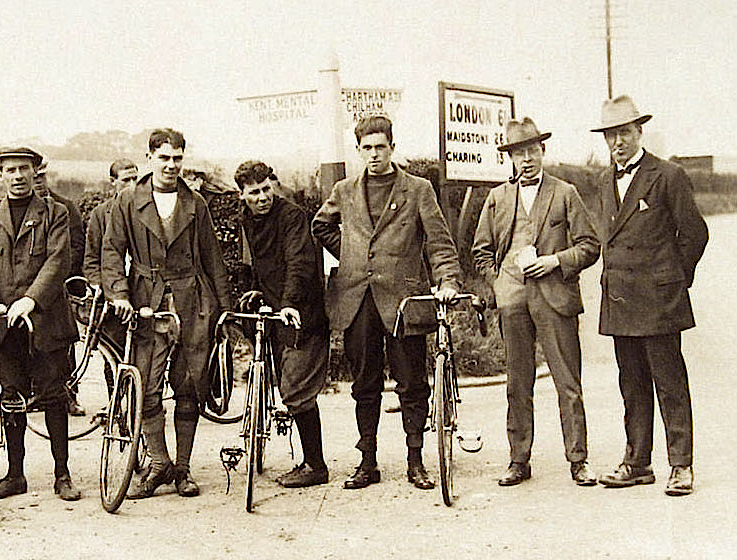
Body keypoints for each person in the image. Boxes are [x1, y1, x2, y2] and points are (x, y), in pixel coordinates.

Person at [312, 115, 462, 490]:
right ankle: (368, 462)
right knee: (364, 383)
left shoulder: (418, 189)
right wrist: (351, 256)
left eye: (381, 146)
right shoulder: (345, 190)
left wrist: (446, 280)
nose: (375, 154)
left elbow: (439, 241)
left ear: (392, 147)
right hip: (358, 299)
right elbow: (321, 225)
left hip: (403, 301)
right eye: (367, 148)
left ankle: (416, 460)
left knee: (411, 383)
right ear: (359, 151)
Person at [102, 128, 233, 499]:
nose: (171, 165)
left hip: (192, 301)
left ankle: (184, 469)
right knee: (146, 386)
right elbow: (111, 253)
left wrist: (224, 312)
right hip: (146, 302)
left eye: (177, 158)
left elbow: (213, 260)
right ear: (150, 159)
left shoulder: (196, 204)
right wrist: (119, 294)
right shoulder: (128, 201)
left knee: (189, 384)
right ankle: (158, 464)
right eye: (164, 158)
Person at [589, 96, 708, 496]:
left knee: (669, 382)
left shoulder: (668, 174)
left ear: (639, 131)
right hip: (622, 298)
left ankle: (681, 465)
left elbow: (694, 233)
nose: (617, 142)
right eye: (610, 135)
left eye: (624, 133)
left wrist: (673, 279)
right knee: (632, 383)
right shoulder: (604, 180)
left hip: (659, 300)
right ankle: (638, 461)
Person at [471, 118, 600, 487]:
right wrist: (497, 284)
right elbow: (480, 251)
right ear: (510, 158)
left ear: (543, 151)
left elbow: (590, 245)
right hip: (512, 301)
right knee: (517, 383)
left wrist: (556, 261)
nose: (526, 160)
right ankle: (518, 460)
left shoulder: (565, 193)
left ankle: (578, 460)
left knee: (568, 382)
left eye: (531, 151)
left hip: (555, 297)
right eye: (517, 153)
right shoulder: (497, 199)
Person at [0, 145, 82, 501]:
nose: (17, 176)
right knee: (9, 395)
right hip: (4, 323)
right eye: (10, 170)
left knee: (53, 396)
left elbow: (58, 261)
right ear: (0, 175)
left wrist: (30, 300)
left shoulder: (55, 213)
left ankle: (62, 473)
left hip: (46, 320)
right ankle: (15, 474)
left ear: (35, 172)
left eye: (24, 169)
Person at [233, 160, 330, 488]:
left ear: (272, 185)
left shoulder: (292, 216)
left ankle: (315, 465)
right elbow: (252, 263)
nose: (261, 197)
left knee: (296, 390)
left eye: (265, 189)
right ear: (242, 194)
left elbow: (299, 263)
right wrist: (252, 290)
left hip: (302, 312)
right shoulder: (245, 220)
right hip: (272, 310)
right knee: (284, 383)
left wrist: (289, 303)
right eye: (253, 193)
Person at [34, 158, 88, 417]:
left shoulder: (66, 207)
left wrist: (56, 276)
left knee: (64, 345)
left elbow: (77, 246)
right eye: (35, 178)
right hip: (29, 290)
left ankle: (70, 396)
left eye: (41, 177)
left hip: (61, 288)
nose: (37, 182)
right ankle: (34, 394)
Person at [82, 159, 137, 287]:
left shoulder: (146, 210)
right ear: (113, 181)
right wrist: (98, 284)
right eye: (126, 180)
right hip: (111, 286)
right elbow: (91, 258)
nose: (132, 185)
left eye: (135, 179)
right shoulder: (100, 213)